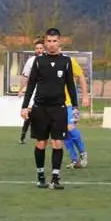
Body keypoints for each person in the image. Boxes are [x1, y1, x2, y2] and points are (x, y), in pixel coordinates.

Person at [20, 27, 80, 189]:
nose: (52, 44)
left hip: (59, 108)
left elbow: (70, 86)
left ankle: (55, 177)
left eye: (55, 41)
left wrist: (75, 106)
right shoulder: (38, 61)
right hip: (40, 108)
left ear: (59, 42)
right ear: (45, 42)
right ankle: (41, 175)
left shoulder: (66, 62)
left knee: (57, 143)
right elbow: (31, 84)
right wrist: (25, 106)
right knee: (41, 143)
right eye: (49, 41)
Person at [62, 46, 90, 169]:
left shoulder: (69, 61)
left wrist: (84, 95)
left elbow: (81, 76)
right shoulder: (45, 62)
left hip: (69, 103)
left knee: (71, 128)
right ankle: (74, 160)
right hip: (55, 105)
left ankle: (83, 154)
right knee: (63, 133)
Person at [17, 40, 45, 144]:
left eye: (41, 48)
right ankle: (22, 137)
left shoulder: (50, 60)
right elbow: (25, 76)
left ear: (44, 49)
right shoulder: (31, 61)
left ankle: (45, 137)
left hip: (45, 91)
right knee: (28, 114)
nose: (39, 50)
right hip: (33, 91)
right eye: (37, 48)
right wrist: (21, 89)